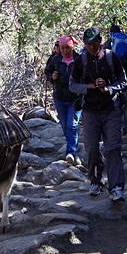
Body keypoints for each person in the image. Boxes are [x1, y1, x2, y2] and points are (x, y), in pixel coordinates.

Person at [69, 27, 127, 202]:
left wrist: (108, 88)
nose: (91, 48)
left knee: (113, 149)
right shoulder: (81, 61)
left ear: (100, 41)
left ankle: (116, 187)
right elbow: (72, 85)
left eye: (94, 44)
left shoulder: (111, 57)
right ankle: (95, 181)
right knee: (92, 149)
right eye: (88, 45)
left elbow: (124, 80)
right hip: (90, 112)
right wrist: (89, 87)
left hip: (111, 110)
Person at [45, 35, 82, 165]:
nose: (65, 50)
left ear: (73, 47)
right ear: (59, 48)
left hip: (75, 99)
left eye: (68, 48)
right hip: (60, 97)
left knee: (72, 125)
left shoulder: (79, 60)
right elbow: (47, 72)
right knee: (65, 126)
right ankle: (73, 151)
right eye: (63, 48)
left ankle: (71, 152)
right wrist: (51, 77)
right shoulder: (55, 60)